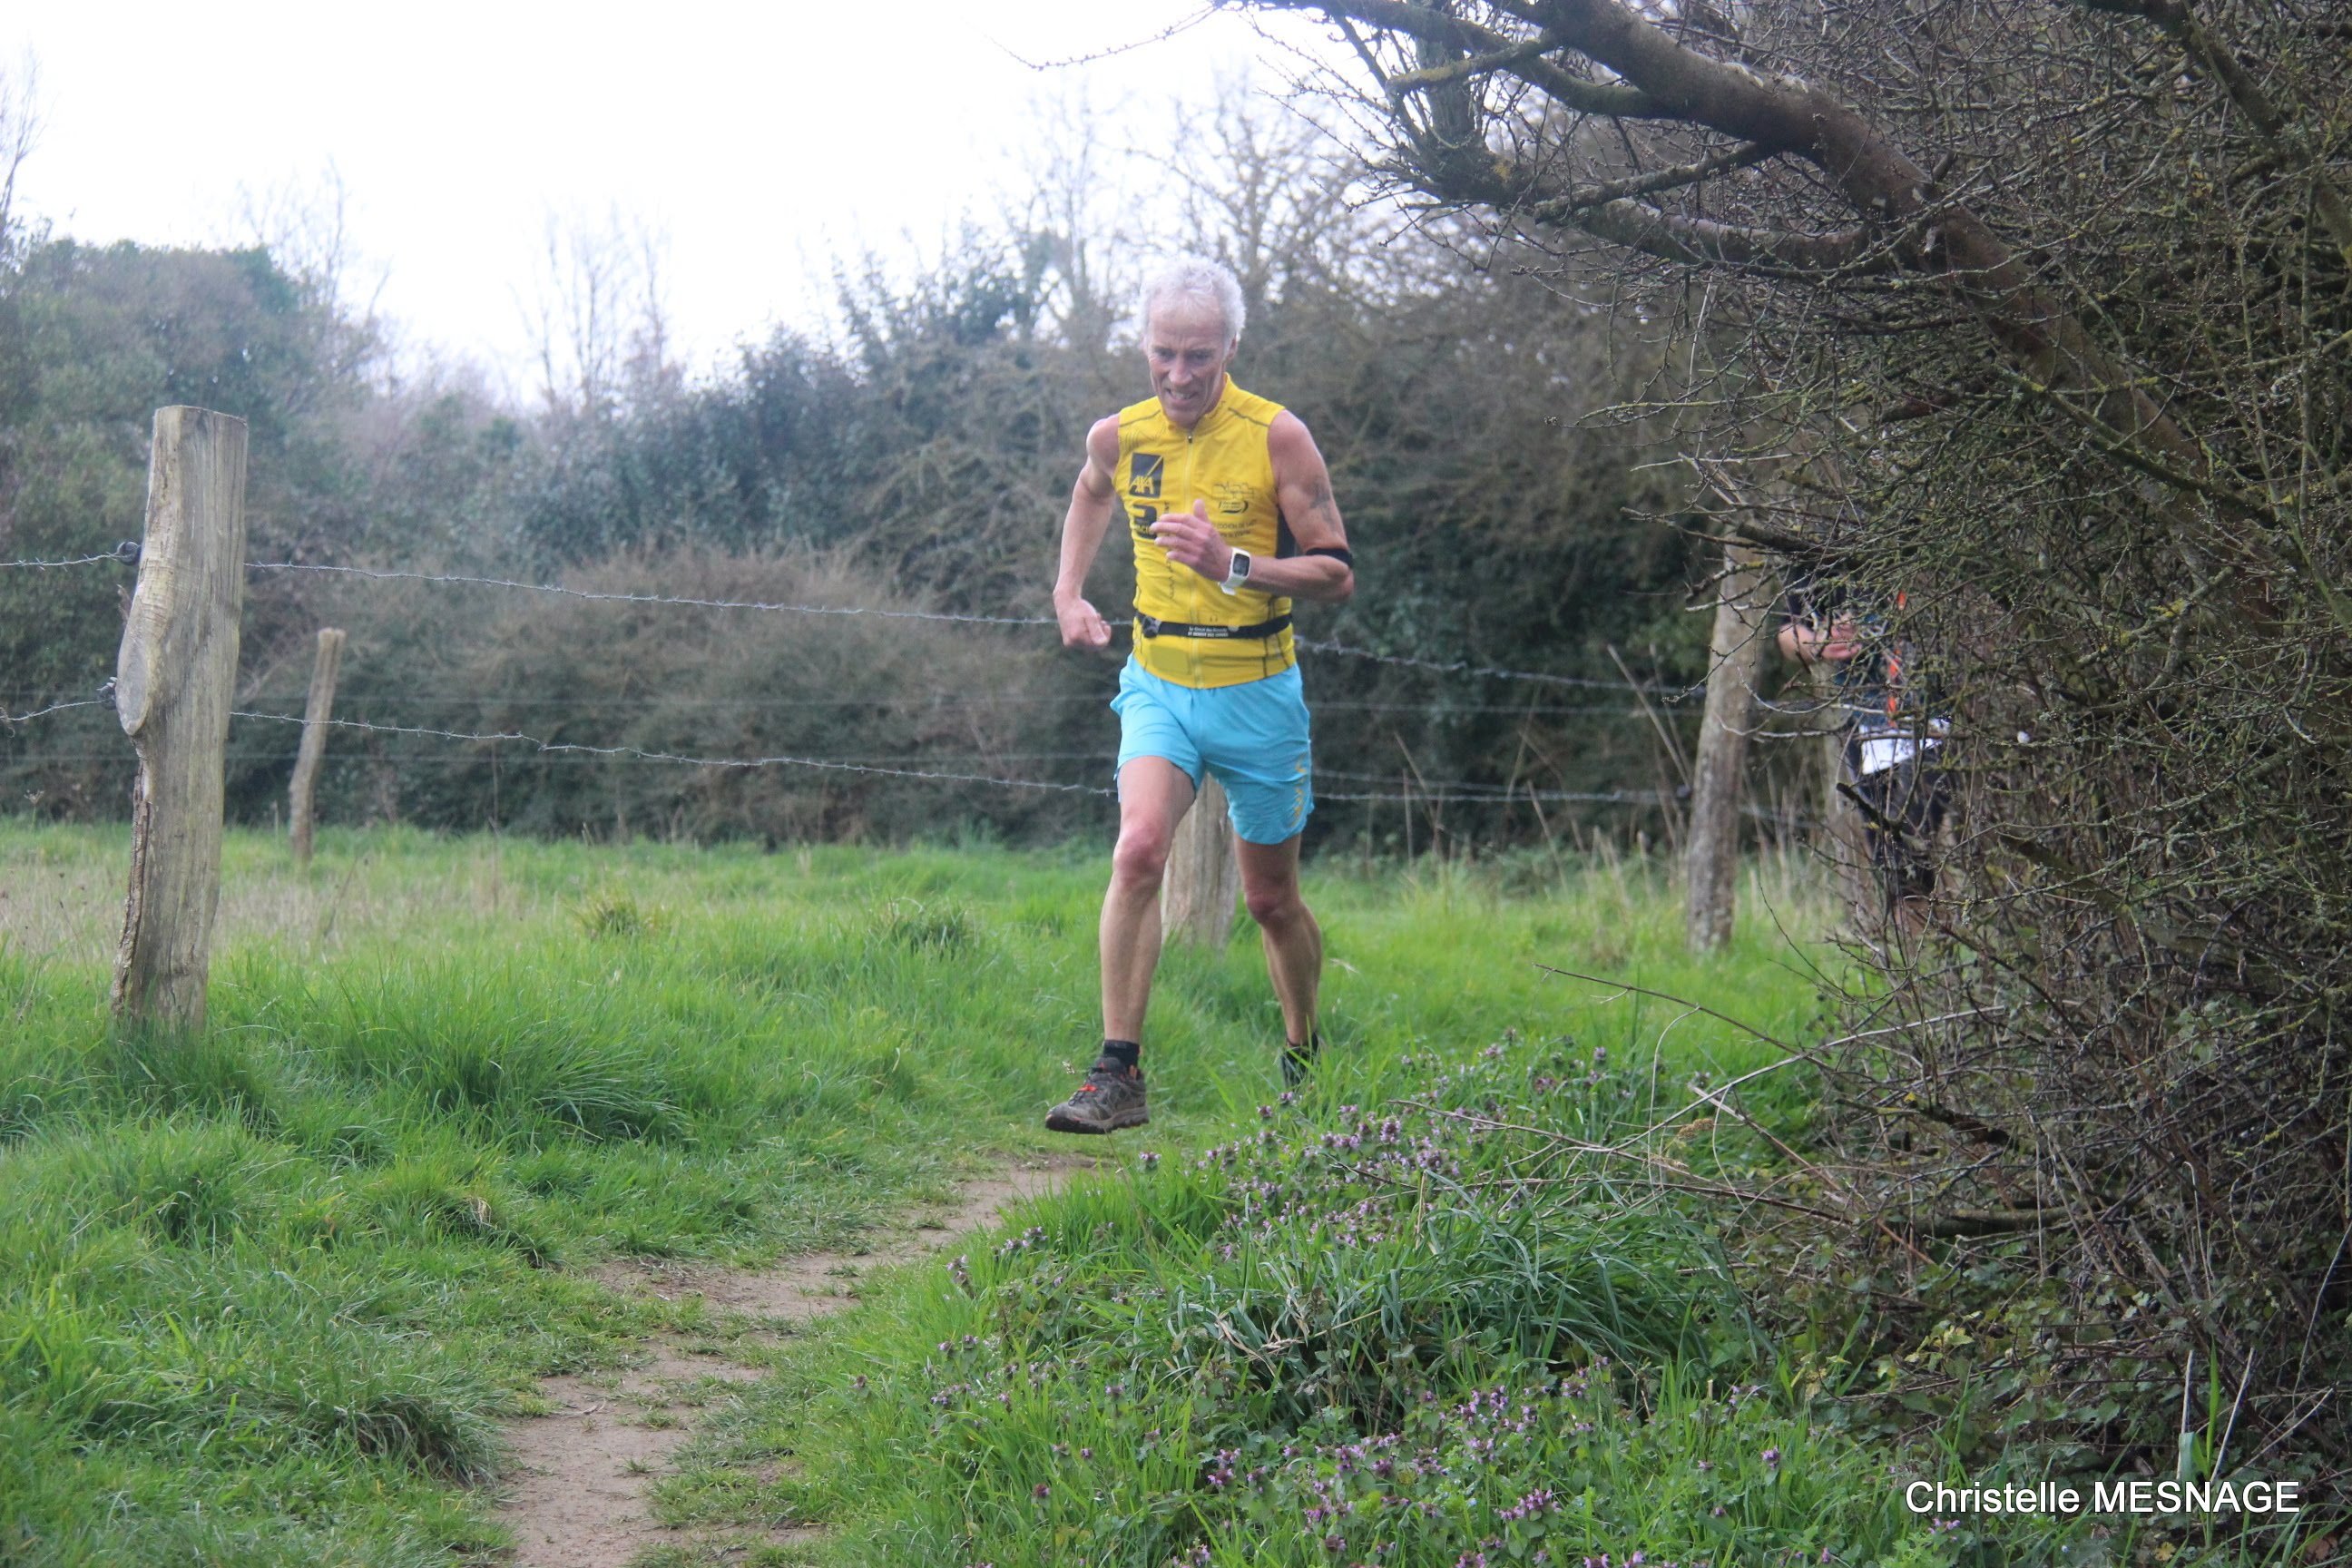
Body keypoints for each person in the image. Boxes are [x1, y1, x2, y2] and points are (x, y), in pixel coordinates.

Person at [1043, 257, 1356, 1135]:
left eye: (1199, 357)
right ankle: (1117, 1074)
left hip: (1258, 692)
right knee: (1139, 850)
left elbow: (1336, 573)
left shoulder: (1277, 436)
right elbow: (1090, 493)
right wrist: (1068, 592)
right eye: (1164, 353)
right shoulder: (1120, 434)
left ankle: (1303, 1050)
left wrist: (1234, 564)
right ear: (1145, 344)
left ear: (1231, 349)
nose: (1178, 376)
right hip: (1159, 685)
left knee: (1270, 901)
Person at [1779, 578, 1949, 931]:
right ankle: (1918, 955)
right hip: (1868, 723)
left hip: (1942, 713)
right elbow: (1789, 632)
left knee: (1919, 834)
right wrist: (1819, 644)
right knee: (1898, 865)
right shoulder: (1820, 558)